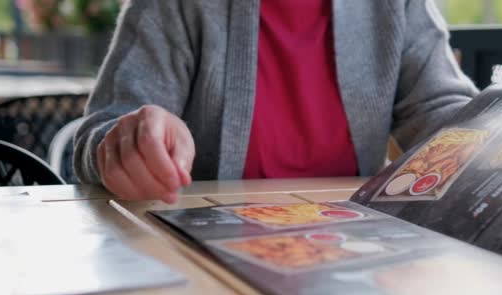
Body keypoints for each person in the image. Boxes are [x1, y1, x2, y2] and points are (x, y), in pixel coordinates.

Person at [74, 0, 478, 204]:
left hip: (356, 258)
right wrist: (125, 146)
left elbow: (446, 112)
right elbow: (100, 131)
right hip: (195, 262)